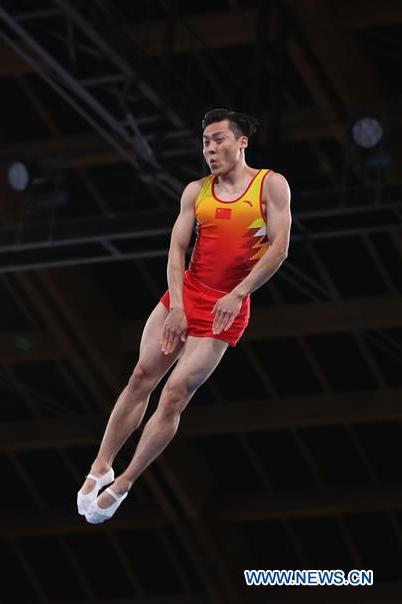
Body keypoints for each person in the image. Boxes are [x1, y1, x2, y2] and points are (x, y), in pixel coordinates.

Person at [76, 108, 292, 524]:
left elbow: (280, 248)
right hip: (185, 294)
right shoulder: (196, 191)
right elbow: (177, 251)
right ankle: (100, 466)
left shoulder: (271, 185)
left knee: (174, 395)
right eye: (205, 142)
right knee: (141, 377)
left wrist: (239, 292)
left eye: (219, 140)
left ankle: (123, 483)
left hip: (226, 308)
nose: (210, 149)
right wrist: (176, 307)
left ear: (241, 142)